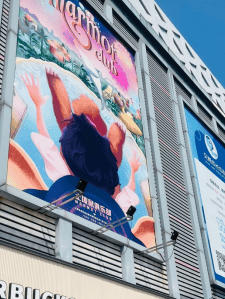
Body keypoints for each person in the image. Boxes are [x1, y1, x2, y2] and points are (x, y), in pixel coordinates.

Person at [21, 70, 140, 213]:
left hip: (94, 173)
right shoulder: (109, 199)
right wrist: (133, 171)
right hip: (103, 176)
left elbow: (46, 142)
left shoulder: (65, 177)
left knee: (71, 122)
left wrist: (38, 105)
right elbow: (126, 194)